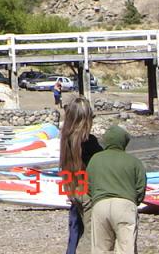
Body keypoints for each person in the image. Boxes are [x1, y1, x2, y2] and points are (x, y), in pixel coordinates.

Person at [87, 124, 147, 254]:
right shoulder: (134, 161)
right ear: (124, 142)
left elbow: (88, 185)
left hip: (100, 205)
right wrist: (134, 201)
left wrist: (97, 197)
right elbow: (141, 188)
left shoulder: (95, 159)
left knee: (100, 249)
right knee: (126, 249)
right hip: (125, 205)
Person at [59, 96, 102, 254]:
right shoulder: (89, 142)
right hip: (88, 193)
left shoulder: (66, 138)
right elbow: (101, 165)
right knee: (89, 237)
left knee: (75, 234)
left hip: (73, 189)